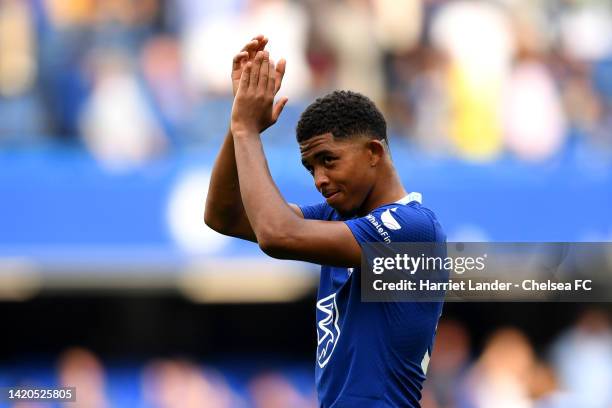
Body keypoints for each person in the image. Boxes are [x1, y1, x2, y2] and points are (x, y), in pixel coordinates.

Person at [205, 35, 446, 408]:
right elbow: (222, 216)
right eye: (310, 167)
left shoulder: (413, 230)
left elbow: (276, 234)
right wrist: (238, 121)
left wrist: (246, 131)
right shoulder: (338, 218)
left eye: (328, 160)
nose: (318, 180)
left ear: (373, 153)